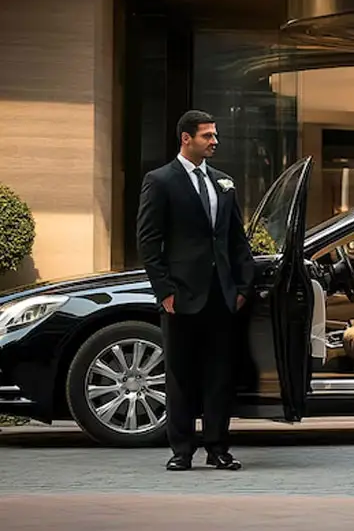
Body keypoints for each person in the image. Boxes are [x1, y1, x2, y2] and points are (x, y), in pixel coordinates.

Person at [136, 109, 254, 471]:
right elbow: (148, 240)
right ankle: (181, 451)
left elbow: (236, 239)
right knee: (181, 376)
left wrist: (243, 287)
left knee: (220, 376)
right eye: (207, 136)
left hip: (222, 296)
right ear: (186, 138)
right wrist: (164, 291)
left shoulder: (224, 182)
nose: (214, 141)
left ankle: (218, 449)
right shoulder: (160, 181)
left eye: (215, 135)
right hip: (181, 296)